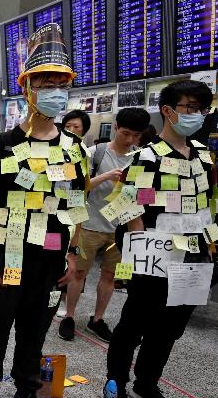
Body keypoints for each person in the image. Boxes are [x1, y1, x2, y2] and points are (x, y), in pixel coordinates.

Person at [0, 23, 87, 398]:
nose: (55, 90)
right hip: (6, 252)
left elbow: (75, 204)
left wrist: (71, 254)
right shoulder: (1, 144)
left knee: (35, 328)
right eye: (45, 82)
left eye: (61, 82)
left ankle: (25, 394)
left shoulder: (73, 148)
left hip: (50, 254)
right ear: (28, 88)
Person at [104, 80, 215, 398]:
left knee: (170, 328)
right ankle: (117, 384)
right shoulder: (146, 157)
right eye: (189, 107)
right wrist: (140, 250)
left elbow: (207, 204)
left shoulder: (203, 157)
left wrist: (210, 244)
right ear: (168, 111)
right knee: (133, 325)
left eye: (201, 109)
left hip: (192, 256)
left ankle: (147, 383)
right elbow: (128, 205)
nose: (196, 115)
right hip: (153, 257)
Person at [59, 108, 150, 342]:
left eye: (136, 136)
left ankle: (97, 319)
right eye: (126, 133)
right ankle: (69, 316)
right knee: (78, 273)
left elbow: (147, 197)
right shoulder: (94, 153)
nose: (130, 140)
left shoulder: (141, 158)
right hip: (88, 224)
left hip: (121, 228)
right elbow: (76, 187)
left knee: (110, 276)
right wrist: (107, 176)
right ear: (116, 127)